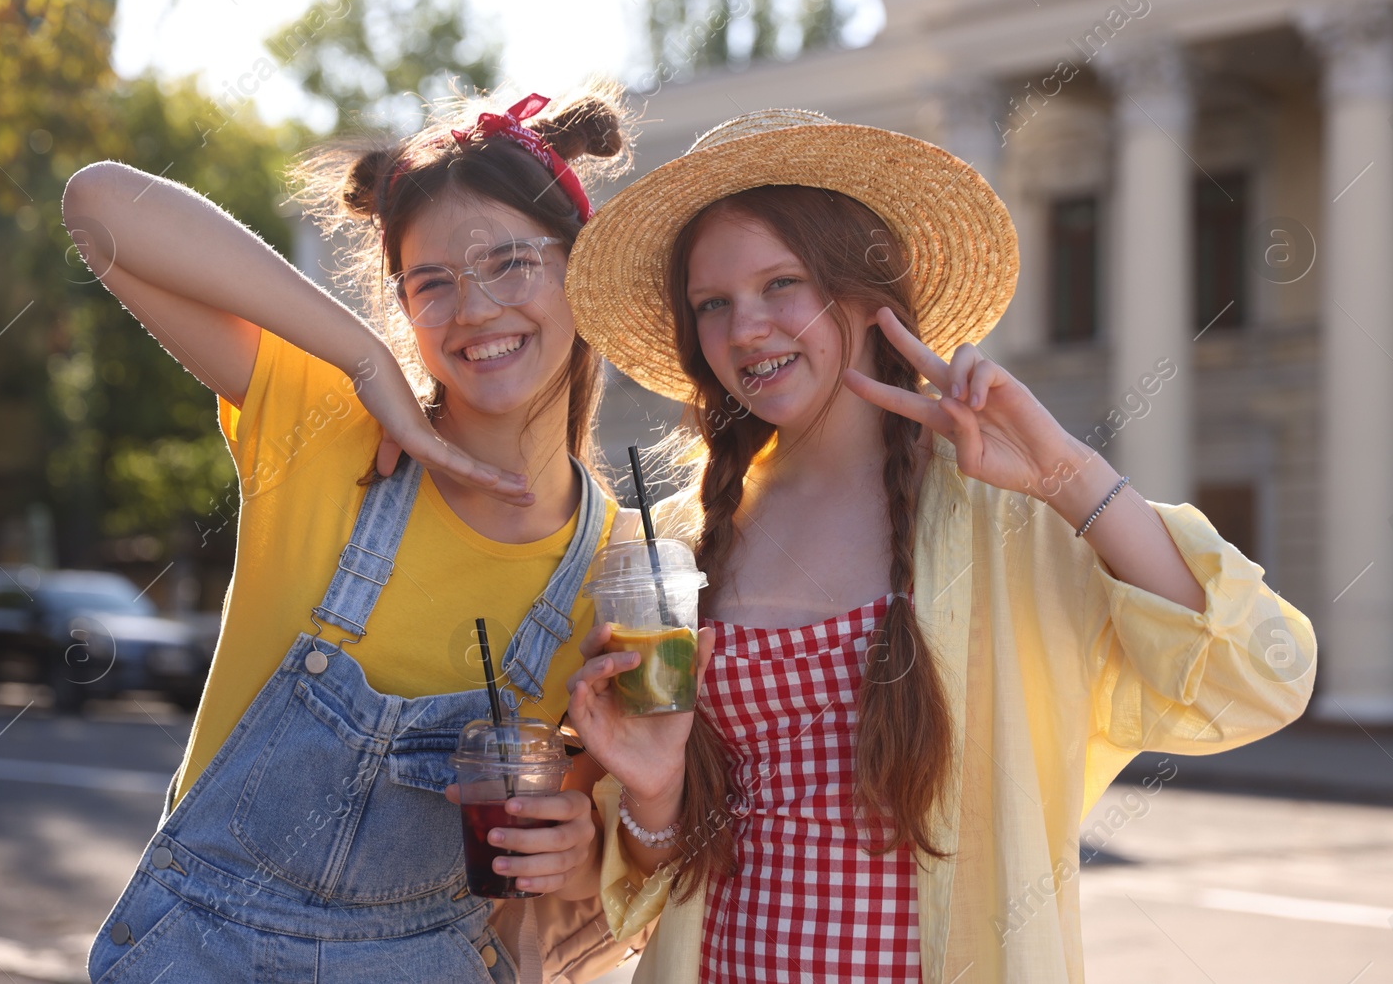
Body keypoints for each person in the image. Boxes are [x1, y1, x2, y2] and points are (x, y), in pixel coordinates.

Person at [561, 109, 1317, 983]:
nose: (745, 329)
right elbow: (656, 874)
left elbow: (1260, 677)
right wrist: (652, 798)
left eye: (781, 284)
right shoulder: (686, 541)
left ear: (865, 295)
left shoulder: (1002, 511)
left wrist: (1067, 474)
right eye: (713, 304)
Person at [62, 86, 640, 982]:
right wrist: (366, 360)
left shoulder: (615, 564)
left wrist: (575, 841)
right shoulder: (325, 428)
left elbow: (598, 829)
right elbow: (99, 205)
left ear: (585, 269)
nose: (476, 308)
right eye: (432, 282)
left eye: (512, 263)